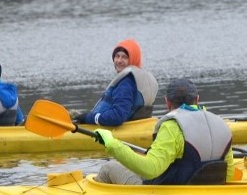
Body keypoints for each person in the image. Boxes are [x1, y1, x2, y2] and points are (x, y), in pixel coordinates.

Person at [94, 78, 234, 185]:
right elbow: (229, 173)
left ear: (167, 102)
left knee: (108, 168)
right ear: (197, 100)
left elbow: (150, 169)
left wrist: (112, 144)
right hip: (209, 189)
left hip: (166, 193)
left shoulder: (172, 126)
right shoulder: (221, 124)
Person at [73, 38, 158, 126]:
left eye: (124, 57)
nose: (119, 61)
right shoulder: (135, 80)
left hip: (109, 132)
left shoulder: (126, 84)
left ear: (133, 59)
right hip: (131, 127)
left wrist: (88, 118)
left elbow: (117, 116)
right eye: (117, 56)